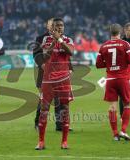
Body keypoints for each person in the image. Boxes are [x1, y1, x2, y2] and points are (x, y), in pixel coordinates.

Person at [35, 18, 74, 150]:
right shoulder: (46, 40)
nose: (59, 28)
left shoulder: (68, 40)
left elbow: (71, 52)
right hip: (48, 80)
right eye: (57, 26)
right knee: (44, 110)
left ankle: (64, 142)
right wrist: (54, 41)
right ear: (52, 28)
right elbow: (45, 56)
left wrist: (61, 40)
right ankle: (41, 142)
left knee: (65, 110)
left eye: (61, 26)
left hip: (63, 79)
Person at [96, 23, 130, 141]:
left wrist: (108, 64)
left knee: (112, 107)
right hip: (123, 78)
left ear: (110, 32)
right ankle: (123, 130)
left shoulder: (103, 46)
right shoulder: (125, 44)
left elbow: (98, 64)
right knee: (128, 104)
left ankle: (115, 134)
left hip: (110, 79)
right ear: (120, 32)